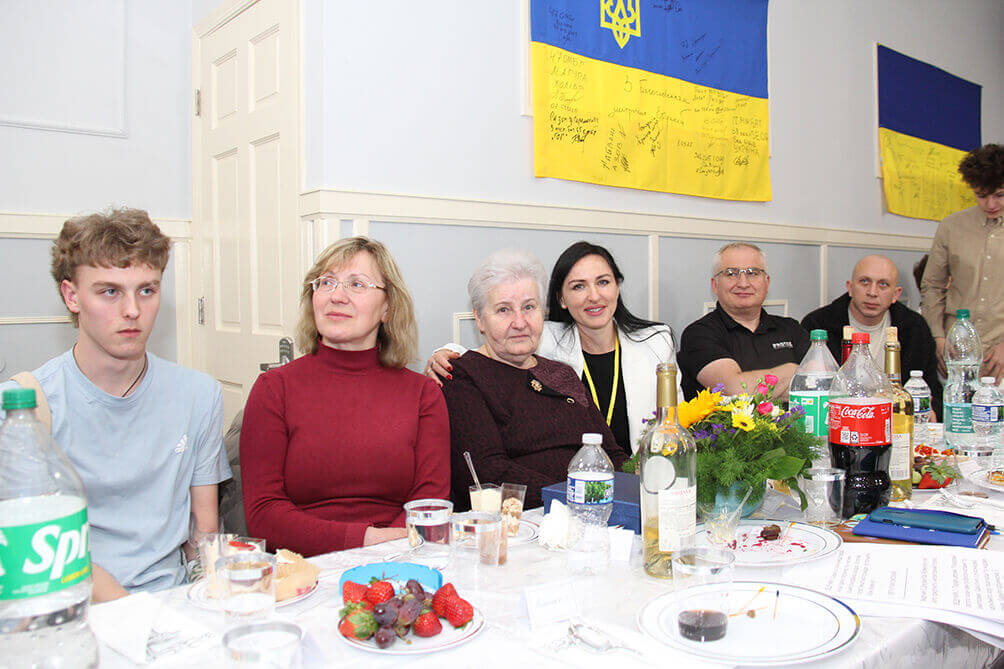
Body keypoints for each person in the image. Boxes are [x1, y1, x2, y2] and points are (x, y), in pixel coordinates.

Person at [0, 208, 231, 601]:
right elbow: (41, 548)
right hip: (73, 606)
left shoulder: (198, 394)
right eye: (110, 291)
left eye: (147, 290)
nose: (132, 310)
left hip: (172, 603)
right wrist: (134, 617)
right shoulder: (27, 407)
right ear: (71, 296)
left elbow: (203, 532)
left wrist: (209, 604)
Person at [241, 237, 449, 556]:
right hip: (303, 565)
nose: (337, 296)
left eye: (357, 284)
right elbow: (263, 514)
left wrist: (386, 548)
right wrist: (362, 540)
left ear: (388, 308)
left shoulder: (423, 395)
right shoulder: (273, 389)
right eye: (326, 282)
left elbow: (429, 504)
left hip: (401, 558)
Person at [426, 241, 678, 455]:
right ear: (561, 299)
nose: (594, 296)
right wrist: (444, 354)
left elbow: (678, 420)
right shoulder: (544, 336)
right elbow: (490, 352)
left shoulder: (656, 341)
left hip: (637, 469)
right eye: (578, 286)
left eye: (603, 282)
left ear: (617, 287)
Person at [441, 249, 626, 510]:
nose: (520, 322)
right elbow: (488, 473)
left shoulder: (562, 373)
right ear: (480, 319)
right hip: (522, 521)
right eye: (503, 310)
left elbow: (612, 454)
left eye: (529, 307)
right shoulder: (463, 377)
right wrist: (579, 496)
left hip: (595, 511)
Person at [802, 254, 942, 417]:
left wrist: (931, 411)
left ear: (896, 294)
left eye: (883, 284)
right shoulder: (817, 325)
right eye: (864, 282)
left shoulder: (915, 329)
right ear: (850, 287)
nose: (872, 292)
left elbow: (933, 392)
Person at [677, 242, 810, 400]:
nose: (743, 283)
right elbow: (737, 391)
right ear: (715, 285)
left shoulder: (791, 328)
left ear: (766, 282)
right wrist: (793, 371)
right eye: (731, 274)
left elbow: (823, 384)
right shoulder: (699, 334)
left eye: (753, 273)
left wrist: (761, 386)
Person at [922, 144, 1004, 382]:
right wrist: (938, 338)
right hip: (955, 353)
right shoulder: (951, 226)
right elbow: (932, 286)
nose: (990, 204)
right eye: (981, 195)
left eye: (1000, 195)